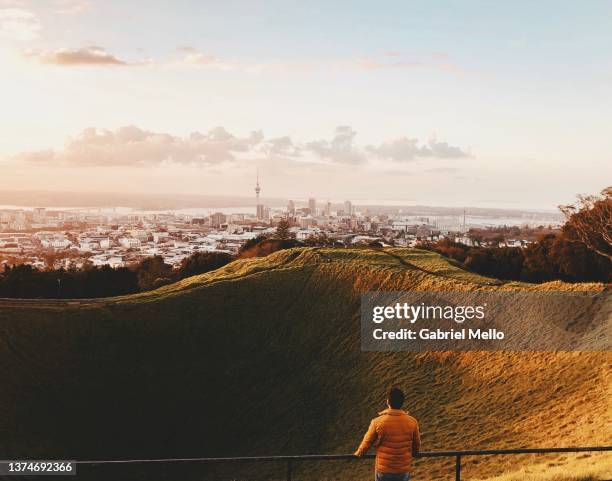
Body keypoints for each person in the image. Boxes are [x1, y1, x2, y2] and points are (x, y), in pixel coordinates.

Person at [354, 387, 421, 481]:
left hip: (384, 470)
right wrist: (416, 453)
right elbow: (416, 444)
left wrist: (359, 453)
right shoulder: (412, 422)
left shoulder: (377, 422)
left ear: (388, 402)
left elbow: (367, 442)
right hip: (402, 470)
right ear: (402, 402)